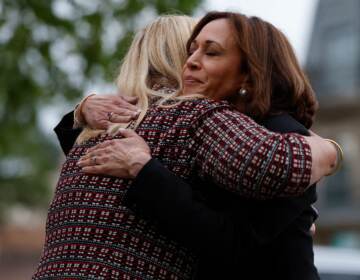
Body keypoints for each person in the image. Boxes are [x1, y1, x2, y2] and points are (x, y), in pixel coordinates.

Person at [36, 13, 338, 280]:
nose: (192, 62)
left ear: (248, 70)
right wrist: (81, 111)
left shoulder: (268, 131)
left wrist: (331, 151)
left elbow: (233, 242)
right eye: (191, 49)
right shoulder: (175, 124)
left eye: (212, 52)